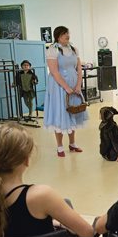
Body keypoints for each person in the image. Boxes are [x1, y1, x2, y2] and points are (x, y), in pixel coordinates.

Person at [44, 26, 87, 157]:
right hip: (58, 86)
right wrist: (66, 87)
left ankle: (72, 144)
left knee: (73, 111)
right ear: (58, 36)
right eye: (64, 34)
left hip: (74, 84)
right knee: (60, 113)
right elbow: (54, 72)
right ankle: (60, 146)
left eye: (67, 33)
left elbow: (79, 68)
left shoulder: (73, 49)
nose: (67, 36)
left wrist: (78, 85)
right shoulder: (53, 50)